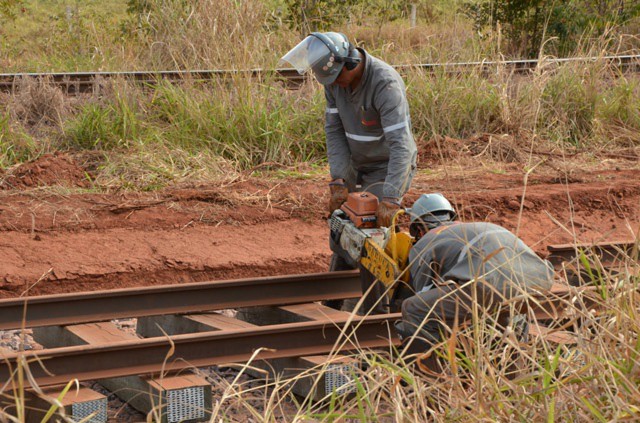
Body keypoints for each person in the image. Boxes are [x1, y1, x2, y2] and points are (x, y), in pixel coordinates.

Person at [395, 193, 555, 371]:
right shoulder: (480, 226)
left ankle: (434, 381)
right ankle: (512, 374)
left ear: (418, 229)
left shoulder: (425, 240)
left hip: (487, 286)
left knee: (414, 308)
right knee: (507, 308)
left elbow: (425, 294)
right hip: (539, 281)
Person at [279, 32, 418, 234]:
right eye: (329, 80)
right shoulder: (333, 84)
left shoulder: (385, 85)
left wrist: (390, 198)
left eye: (336, 77)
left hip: (385, 166)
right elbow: (334, 130)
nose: (334, 84)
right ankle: (341, 262)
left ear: (351, 63)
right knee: (342, 226)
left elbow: (401, 145)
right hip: (356, 162)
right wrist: (338, 180)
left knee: (369, 230)